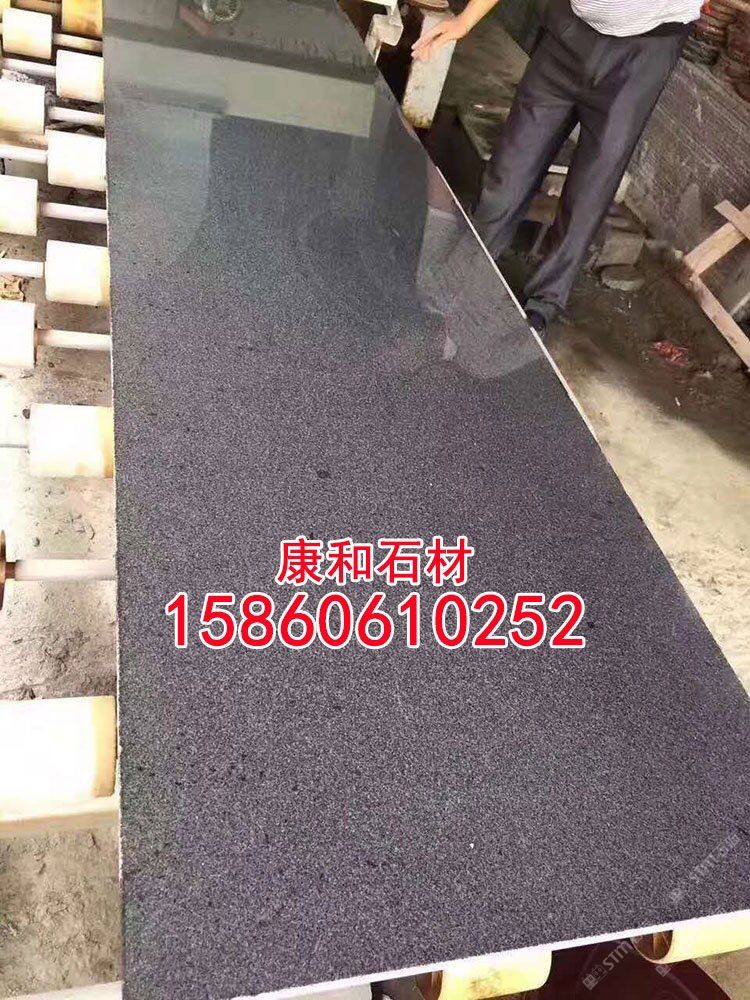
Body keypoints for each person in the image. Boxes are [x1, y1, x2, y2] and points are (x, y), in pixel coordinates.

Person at [413, 0, 701, 335]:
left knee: (589, 192)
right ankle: (468, 271)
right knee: (509, 171)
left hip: (645, 52)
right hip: (570, 31)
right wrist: (466, 20)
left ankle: (545, 302)